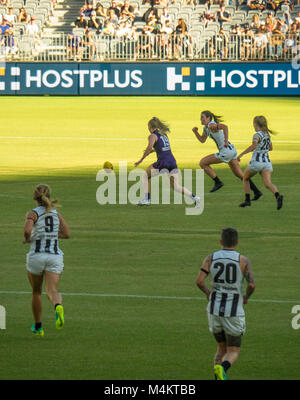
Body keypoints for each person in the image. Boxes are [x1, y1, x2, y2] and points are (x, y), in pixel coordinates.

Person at [196, 227, 255, 380]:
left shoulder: (210, 258)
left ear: (221, 241)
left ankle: (218, 376)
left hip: (214, 310)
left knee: (221, 348)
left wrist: (208, 293)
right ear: (237, 242)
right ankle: (223, 368)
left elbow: (199, 281)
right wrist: (246, 297)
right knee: (233, 350)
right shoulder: (243, 260)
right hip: (233, 312)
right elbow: (251, 285)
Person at [23, 184, 70, 336]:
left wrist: (27, 238)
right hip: (54, 256)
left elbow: (27, 229)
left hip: (37, 256)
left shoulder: (33, 213)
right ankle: (57, 306)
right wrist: (52, 236)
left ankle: (38, 327)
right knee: (52, 291)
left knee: (36, 292)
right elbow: (66, 233)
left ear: (34, 197)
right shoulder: (56, 213)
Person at [192, 111, 262, 198]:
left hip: (225, 152)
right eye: (200, 117)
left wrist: (225, 142)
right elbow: (202, 140)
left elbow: (225, 127)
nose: (201, 119)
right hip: (231, 151)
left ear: (208, 118)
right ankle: (257, 192)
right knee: (241, 175)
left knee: (202, 163)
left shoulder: (211, 125)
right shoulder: (206, 128)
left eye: (203, 117)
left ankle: (218, 182)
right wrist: (195, 132)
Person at [134, 117, 200, 207]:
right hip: (172, 162)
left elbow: (149, 147)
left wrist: (140, 160)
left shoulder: (152, 135)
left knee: (145, 176)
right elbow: (163, 147)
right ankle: (195, 197)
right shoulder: (164, 134)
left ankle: (147, 199)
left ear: (150, 127)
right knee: (176, 186)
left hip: (163, 162)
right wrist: (153, 151)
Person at [237, 116, 283, 209]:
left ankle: (247, 201)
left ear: (255, 124)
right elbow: (271, 148)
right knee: (268, 184)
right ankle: (277, 195)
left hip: (256, 163)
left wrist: (241, 154)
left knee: (245, 178)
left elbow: (253, 146)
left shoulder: (257, 135)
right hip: (267, 163)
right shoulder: (267, 134)